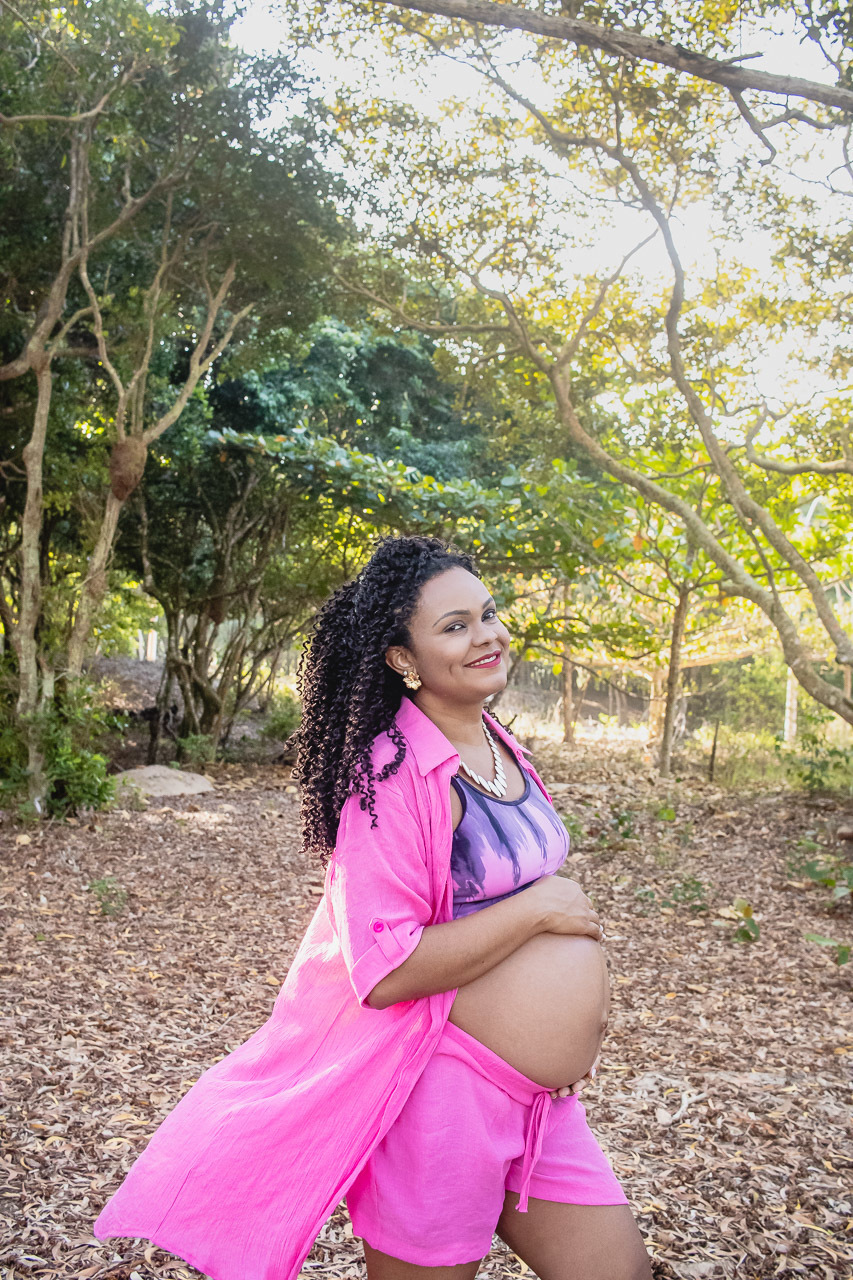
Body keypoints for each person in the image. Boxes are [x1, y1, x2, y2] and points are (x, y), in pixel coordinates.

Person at [95, 535, 652, 1280]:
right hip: (443, 1103)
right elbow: (382, 969)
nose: (485, 635)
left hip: (540, 1107)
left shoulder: (495, 743)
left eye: (486, 614)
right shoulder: (391, 774)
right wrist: (537, 913)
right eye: (453, 626)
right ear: (401, 659)